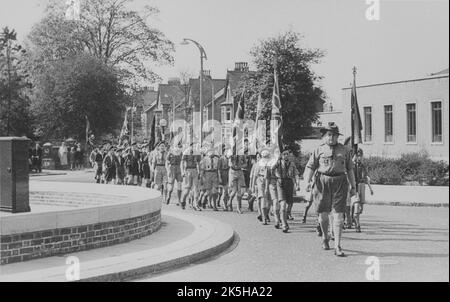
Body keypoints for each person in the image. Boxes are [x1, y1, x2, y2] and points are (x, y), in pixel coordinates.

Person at [304, 122, 357, 257]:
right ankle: (325, 237)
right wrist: (307, 182)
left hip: (340, 182)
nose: (331, 138)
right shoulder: (318, 150)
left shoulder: (345, 150)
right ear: (324, 136)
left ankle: (337, 245)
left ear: (337, 137)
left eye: (334, 135)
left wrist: (353, 187)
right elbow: (310, 167)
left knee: (339, 215)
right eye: (329, 135)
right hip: (322, 182)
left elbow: (350, 169)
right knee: (323, 215)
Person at [272, 149, 300, 233]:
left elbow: (296, 174)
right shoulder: (278, 163)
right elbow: (271, 169)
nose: (286, 156)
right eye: (284, 154)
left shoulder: (292, 164)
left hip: (289, 183)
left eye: (287, 154)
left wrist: (297, 184)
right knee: (283, 204)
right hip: (280, 183)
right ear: (281, 155)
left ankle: (285, 215)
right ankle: (284, 224)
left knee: (290, 203)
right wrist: (276, 176)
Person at [351, 148, 374, 233]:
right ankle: (357, 225)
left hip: (362, 186)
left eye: (361, 155)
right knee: (357, 206)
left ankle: (353, 216)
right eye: (358, 155)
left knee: (361, 209)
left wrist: (370, 188)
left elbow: (366, 178)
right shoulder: (352, 166)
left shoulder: (363, 166)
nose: (359, 157)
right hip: (355, 187)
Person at [180, 144, 201, 210]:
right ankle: (183, 201)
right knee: (187, 189)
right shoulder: (186, 152)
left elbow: (198, 163)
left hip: (195, 170)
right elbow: (182, 163)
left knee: (196, 188)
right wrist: (182, 172)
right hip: (188, 171)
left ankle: (196, 204)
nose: (193, 147)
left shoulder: (197, 153)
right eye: (192, 146)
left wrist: (199, 172)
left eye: (195, 146)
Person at [217, 145, 230, 210]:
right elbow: (219, 169)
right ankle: (220, 201)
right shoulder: (221, 159)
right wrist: (219, 177)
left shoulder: (230, 158)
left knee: (226, 191)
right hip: (223, 174)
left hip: (229, 174)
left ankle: (225, 204)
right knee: (222, 191)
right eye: (226, 150)